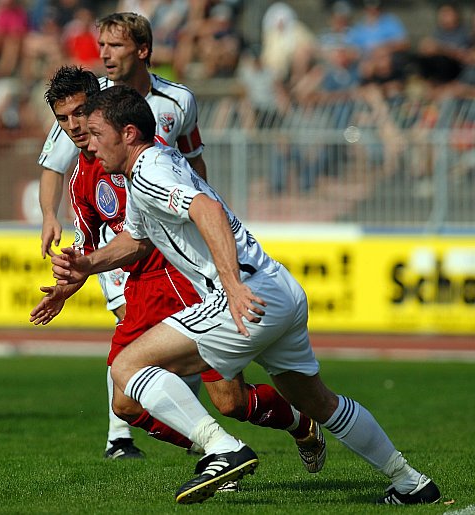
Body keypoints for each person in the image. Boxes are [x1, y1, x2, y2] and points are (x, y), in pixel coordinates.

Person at [51, 84, 442, 505]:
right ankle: (411, 482)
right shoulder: (152, 165)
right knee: (320, 402)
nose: (88, 143)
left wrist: (233, 286)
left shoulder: (149, 172)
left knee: (127, 368)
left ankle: (222, 449)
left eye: (95, 132)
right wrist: (86, 267)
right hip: (280, 290)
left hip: (246, 296)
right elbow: (137, 240)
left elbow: (207, 209)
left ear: (128, 133)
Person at [31, 66, 325, 479]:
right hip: (141, 289)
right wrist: (67, 285)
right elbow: (91, 248)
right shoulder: (81, 179)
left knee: (230, 401)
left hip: (183, 278)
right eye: (63, 119)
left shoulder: (139, 152)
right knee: (124, 404)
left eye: (81, 112)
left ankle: (297, 425)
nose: (74, 126)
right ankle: (219, 451)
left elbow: (191, 203)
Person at [36, 11, 207, 459]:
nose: (105, 55)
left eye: (115, 46)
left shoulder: (178, 101)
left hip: (172, 235)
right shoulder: (89, 105)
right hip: (122, 242)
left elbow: (194, 160)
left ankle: (204, 426)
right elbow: (54, 164)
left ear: (142, 50)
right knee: (131, 335)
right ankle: (123, 435)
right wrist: (47, 216)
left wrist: (204, 205)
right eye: (102, 46)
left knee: (180, 341)